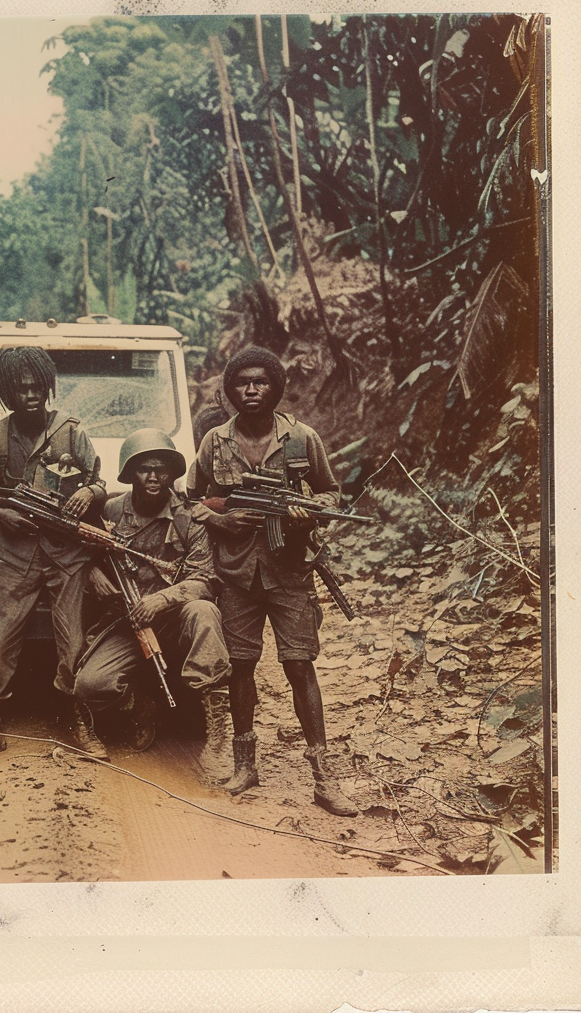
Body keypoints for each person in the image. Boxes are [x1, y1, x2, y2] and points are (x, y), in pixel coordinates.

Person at [188, 346, 358, 817]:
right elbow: (194, 500)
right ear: (230, 391)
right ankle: (246, 766)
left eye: (261, 381)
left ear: (276, 387)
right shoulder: (214, 443)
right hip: (237, 574)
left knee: (299, 664)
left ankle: (324, 776)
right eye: (242, 382)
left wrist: (307, 514)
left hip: (289, 571)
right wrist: (223, 520)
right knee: (241, 665)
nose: (251, 389)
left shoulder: (302, 438)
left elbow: (329, 491)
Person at [0, 346, 109, 767]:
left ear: (47, 385)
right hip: (15, 555)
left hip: (65, 555)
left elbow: (100, 484)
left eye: (37, 386)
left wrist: (87, 493)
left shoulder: (71, 433)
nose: (30, 394)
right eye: (20, 389)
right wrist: (2, 513)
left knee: (74, 640)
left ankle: (81, 721)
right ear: (6, 393)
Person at [72, 429, 234, 782]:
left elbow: (205, 578)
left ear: (172, 474)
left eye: (161, 469)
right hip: (126, 622)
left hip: (175, 619)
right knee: (91, 685)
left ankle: (219, 729)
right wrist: (91, 573)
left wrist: (161, 599)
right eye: (144, 469)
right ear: (130, 474)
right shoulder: (110, 511)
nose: (154, 476)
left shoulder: (190, 517)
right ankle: (140, 703)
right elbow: (79, 554)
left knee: (205, 612)